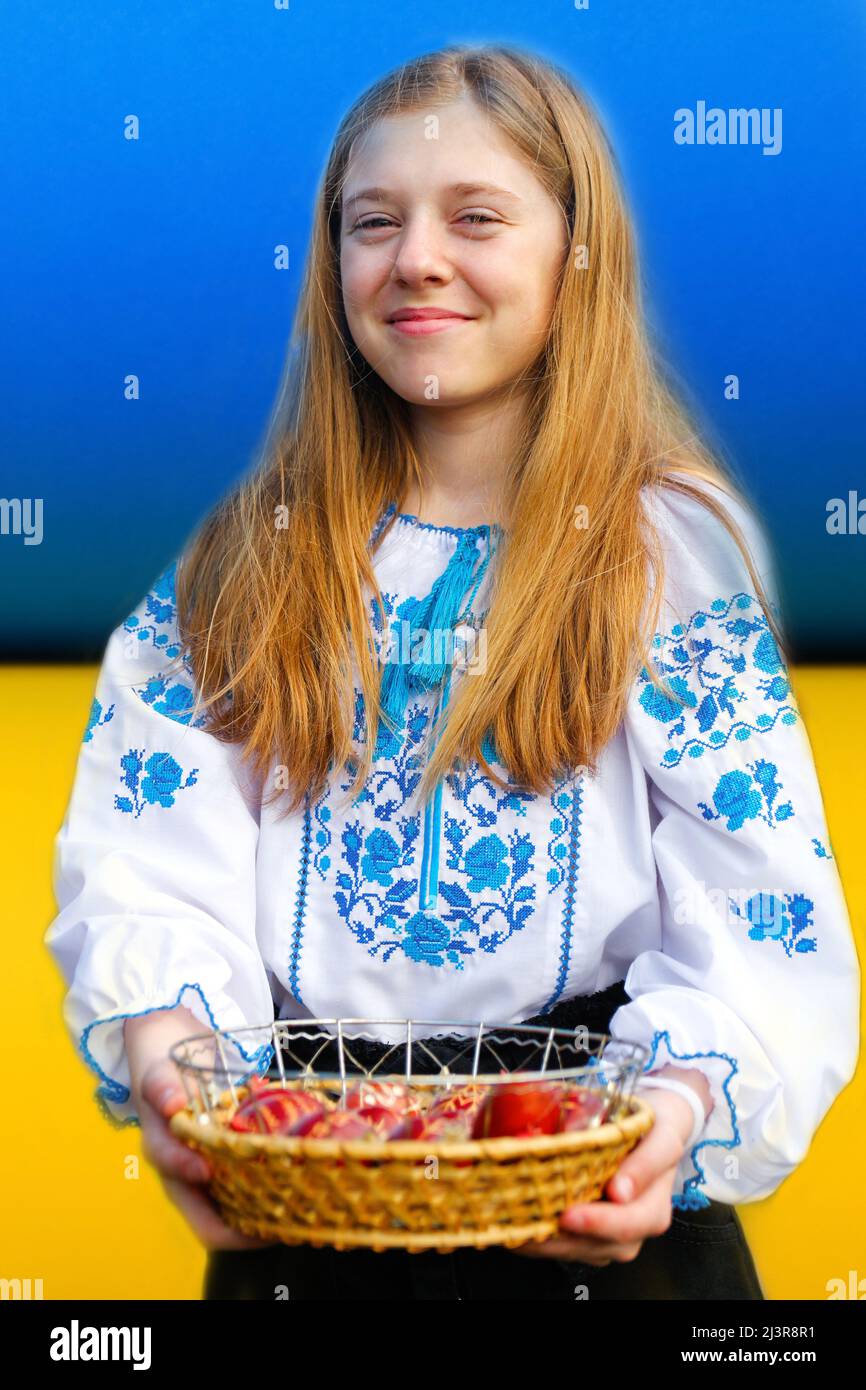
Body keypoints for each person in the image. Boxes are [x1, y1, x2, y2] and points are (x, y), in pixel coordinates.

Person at [45, 43, 859, 1301]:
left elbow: (756, 912)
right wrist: (175, 1063)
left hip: (599, 1190)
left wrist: (678, 1107)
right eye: (373, 222)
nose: (415, 256)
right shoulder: (241, 561)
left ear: (574, 254)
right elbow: (146, 866)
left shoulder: (667, 554)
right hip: (309, 1203)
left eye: (474, 216)